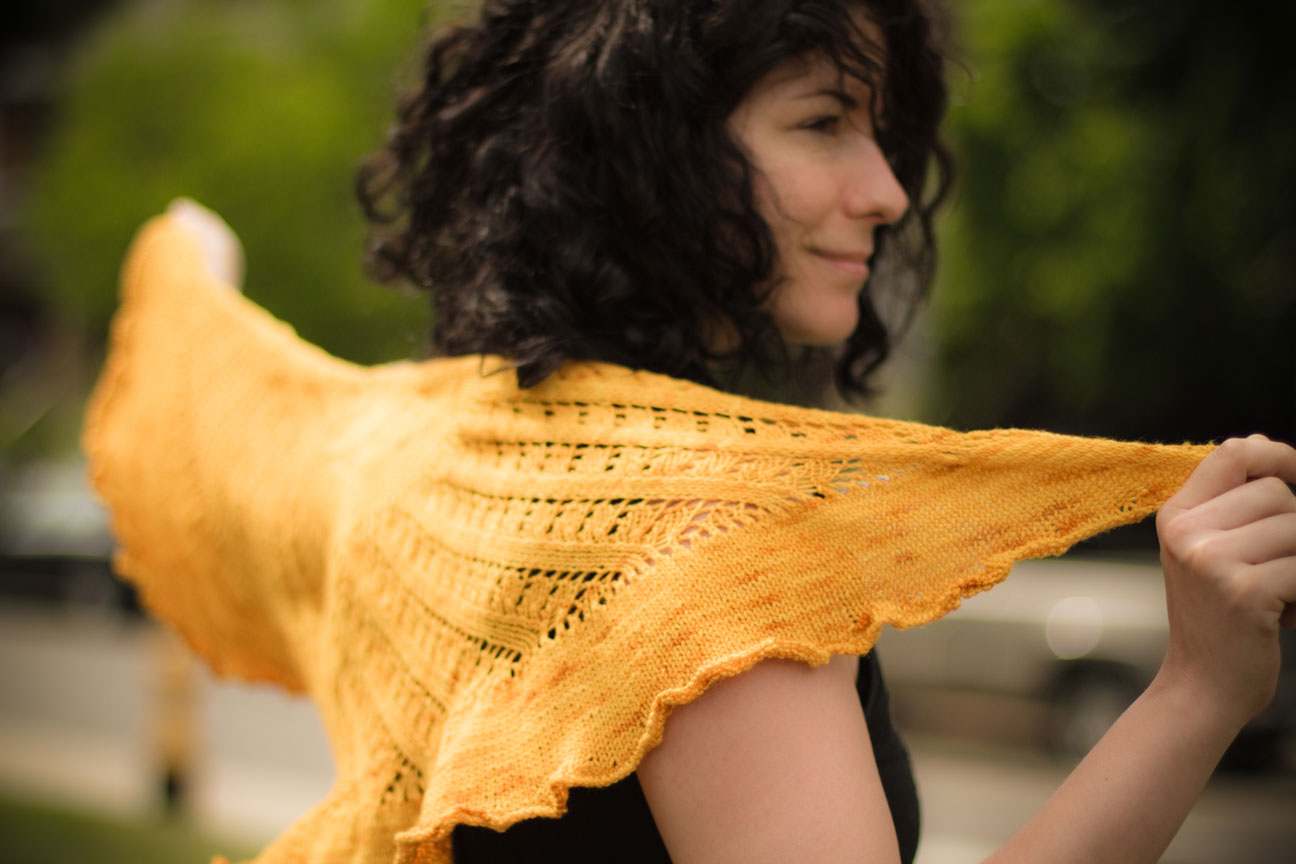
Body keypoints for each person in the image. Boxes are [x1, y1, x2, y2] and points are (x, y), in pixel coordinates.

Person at [104, 1, 1295, 862]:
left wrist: (189, 267)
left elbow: (246, 405)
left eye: (881, 131)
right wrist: (1194, 696)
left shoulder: (428, 444)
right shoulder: (710, 537)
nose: (886, 190)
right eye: (823, 122)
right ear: (646, 147)